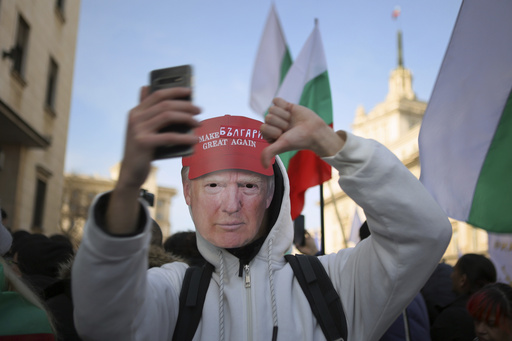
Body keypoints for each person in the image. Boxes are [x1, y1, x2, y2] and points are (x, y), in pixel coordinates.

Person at [71, 86, 452, 340]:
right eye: (214, 186)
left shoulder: (336, 283)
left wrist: (333, 146)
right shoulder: (172, 292)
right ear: (187, 193)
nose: (231, 204)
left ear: (272, 194)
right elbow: (102, 321)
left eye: (249, 186)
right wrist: (125, 190)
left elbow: (423, 233)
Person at [431, 253, 497, 340]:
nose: (451, 276)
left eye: (454, 271)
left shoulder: (451, 318)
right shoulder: (502, 310)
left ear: (463, 280)